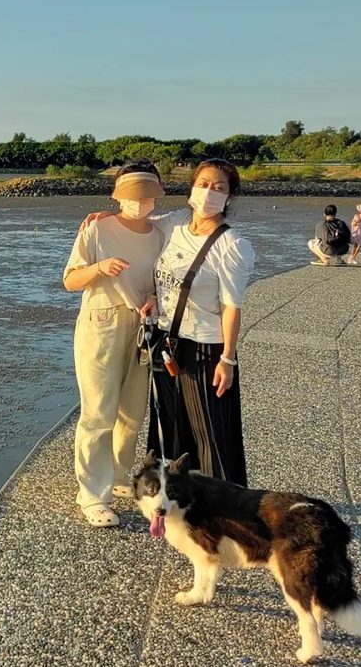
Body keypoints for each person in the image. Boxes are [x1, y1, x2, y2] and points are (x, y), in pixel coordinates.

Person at [80, 158, 256, 487]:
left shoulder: (233, 246)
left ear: (230, 197)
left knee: (211, 433)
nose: (209, 193)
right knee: (170, 427)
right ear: (191, 188)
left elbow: (232, 306)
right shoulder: (174, 223)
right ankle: (174, 496)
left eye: (219, 188)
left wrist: (228, 358)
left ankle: (225, 505)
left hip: (207, 347)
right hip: (168, 341)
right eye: (203, 184)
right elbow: (135, 222)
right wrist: (105, 217)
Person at [62, 160, 165, 527]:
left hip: (141, 326)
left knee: (132, 413)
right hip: (101, 324)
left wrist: (154, 298)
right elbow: (71, 280)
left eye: (147, 196)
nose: (140, 202)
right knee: (98, 412)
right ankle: (92, 494)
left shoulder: (160, 233)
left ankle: (119, 476)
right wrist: (99, 268)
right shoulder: (97, 229)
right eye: (132, 196)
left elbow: (162, 280)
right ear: (117, 195)